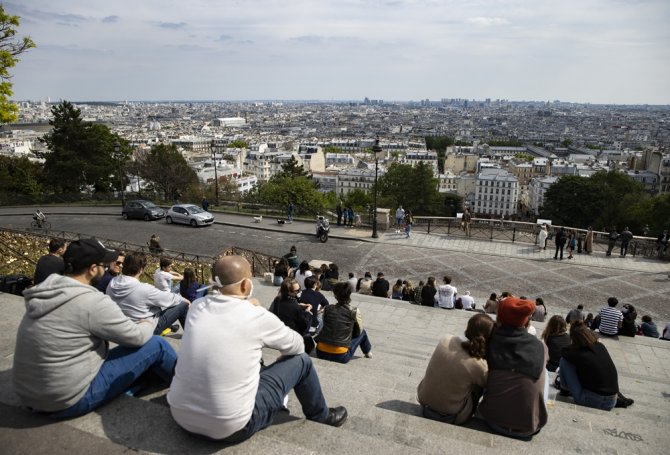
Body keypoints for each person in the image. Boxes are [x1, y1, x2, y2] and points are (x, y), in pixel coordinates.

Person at [167, 255, 347, 443]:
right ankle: (321, 415)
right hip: (232, 427)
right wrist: (255, 310)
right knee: (302, 361)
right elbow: (298, 345)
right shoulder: (255, 316)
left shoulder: (197, 307)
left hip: (181, 415)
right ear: (246, 285)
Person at [13, 239, 177, 418]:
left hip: (28, 395)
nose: (107, 268)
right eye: (103, 265)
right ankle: (187, 388)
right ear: (92, 269)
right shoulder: (90, 301)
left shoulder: (46, 292)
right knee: (157, 344)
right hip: (67, 400)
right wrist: (147, 322)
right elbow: (137, 337)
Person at [478, 297, 548, 439]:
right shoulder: (541, 346)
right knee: (544, 370)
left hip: (493, 420)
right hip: (530, 426)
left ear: (500, 316)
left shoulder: (490, 341)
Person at [417, 314, 494, 424]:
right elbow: (489, 383)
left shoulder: (445, 339)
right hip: (452, 414)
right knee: (481, 382)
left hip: (425, 400)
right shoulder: (477, 364)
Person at [107, 252, 190, 335]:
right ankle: (190, 335)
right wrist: (184, 299)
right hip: (144, 329)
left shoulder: (112, 283)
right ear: (141, 269)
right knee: (183, 304)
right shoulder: (144, 289)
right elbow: (169, 299)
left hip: (123, 327)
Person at [559, 321, 633, 410]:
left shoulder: (575, 354)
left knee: (565, 361)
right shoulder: (601, 346)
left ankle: (564, 390)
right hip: (611, 402)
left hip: (591, 401)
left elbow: (563, 351)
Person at [315, 282, 372, 363]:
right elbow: (358, 331)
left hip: (321, 352)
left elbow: (323, 326)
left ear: (335, 295)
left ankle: (367, 351)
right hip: (341, 356)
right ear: (349, 295)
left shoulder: (327, 308)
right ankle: (367, 352)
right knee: (363, 332)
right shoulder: (354, 311)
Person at [270, 278, 315, 353]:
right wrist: (307, 311)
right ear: (289, 292)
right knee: (309, 317)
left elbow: (287, 307)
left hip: (279, 332)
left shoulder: (277, 299)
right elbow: (303, 326)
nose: (299, 292)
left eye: (299, 289)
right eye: (296, 291)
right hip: (291, 335)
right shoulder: (295, 307)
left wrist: (299, 305)